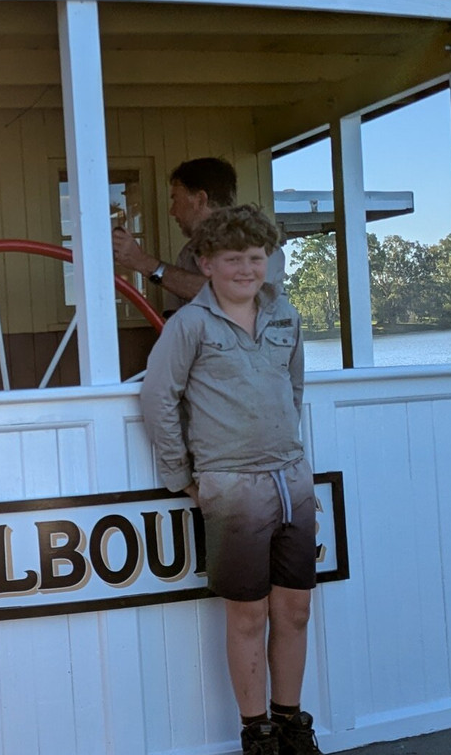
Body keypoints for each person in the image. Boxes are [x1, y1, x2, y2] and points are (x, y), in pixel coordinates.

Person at [139, 205, 321, 755]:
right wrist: (182, 477)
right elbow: (158, 399)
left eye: (255, 258)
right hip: (232, 488)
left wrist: (286, 452)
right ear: (206, 263)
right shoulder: (189, 325)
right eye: (233, 259)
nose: (246, 269)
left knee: (295, 610)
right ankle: (257, 732)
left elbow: (294, 389)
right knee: (248, 613)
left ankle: (291, 725)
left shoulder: (285, 315)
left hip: (292, 482)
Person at [112, 157, 285, 313]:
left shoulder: (261, 245)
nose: (172, 211)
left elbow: (231, 296)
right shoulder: (188, 254)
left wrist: (142, 261)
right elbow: (172, 316)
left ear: (200, 200)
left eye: (175, 199)